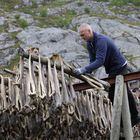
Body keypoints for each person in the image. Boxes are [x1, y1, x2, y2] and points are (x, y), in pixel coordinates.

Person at [74, 23, 140, 126]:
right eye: (80, 35)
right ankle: (133, 117)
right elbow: (93, 60)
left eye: (83, 35)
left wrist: (84, 69)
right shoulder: (89, 44)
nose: (82, 37)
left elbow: (100, 61)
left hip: (119, 66)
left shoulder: (101, 41)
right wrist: (87, 71)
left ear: (89, 31)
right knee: (122, 92)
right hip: (112, 69)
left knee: (113, 94)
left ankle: (127, 119)